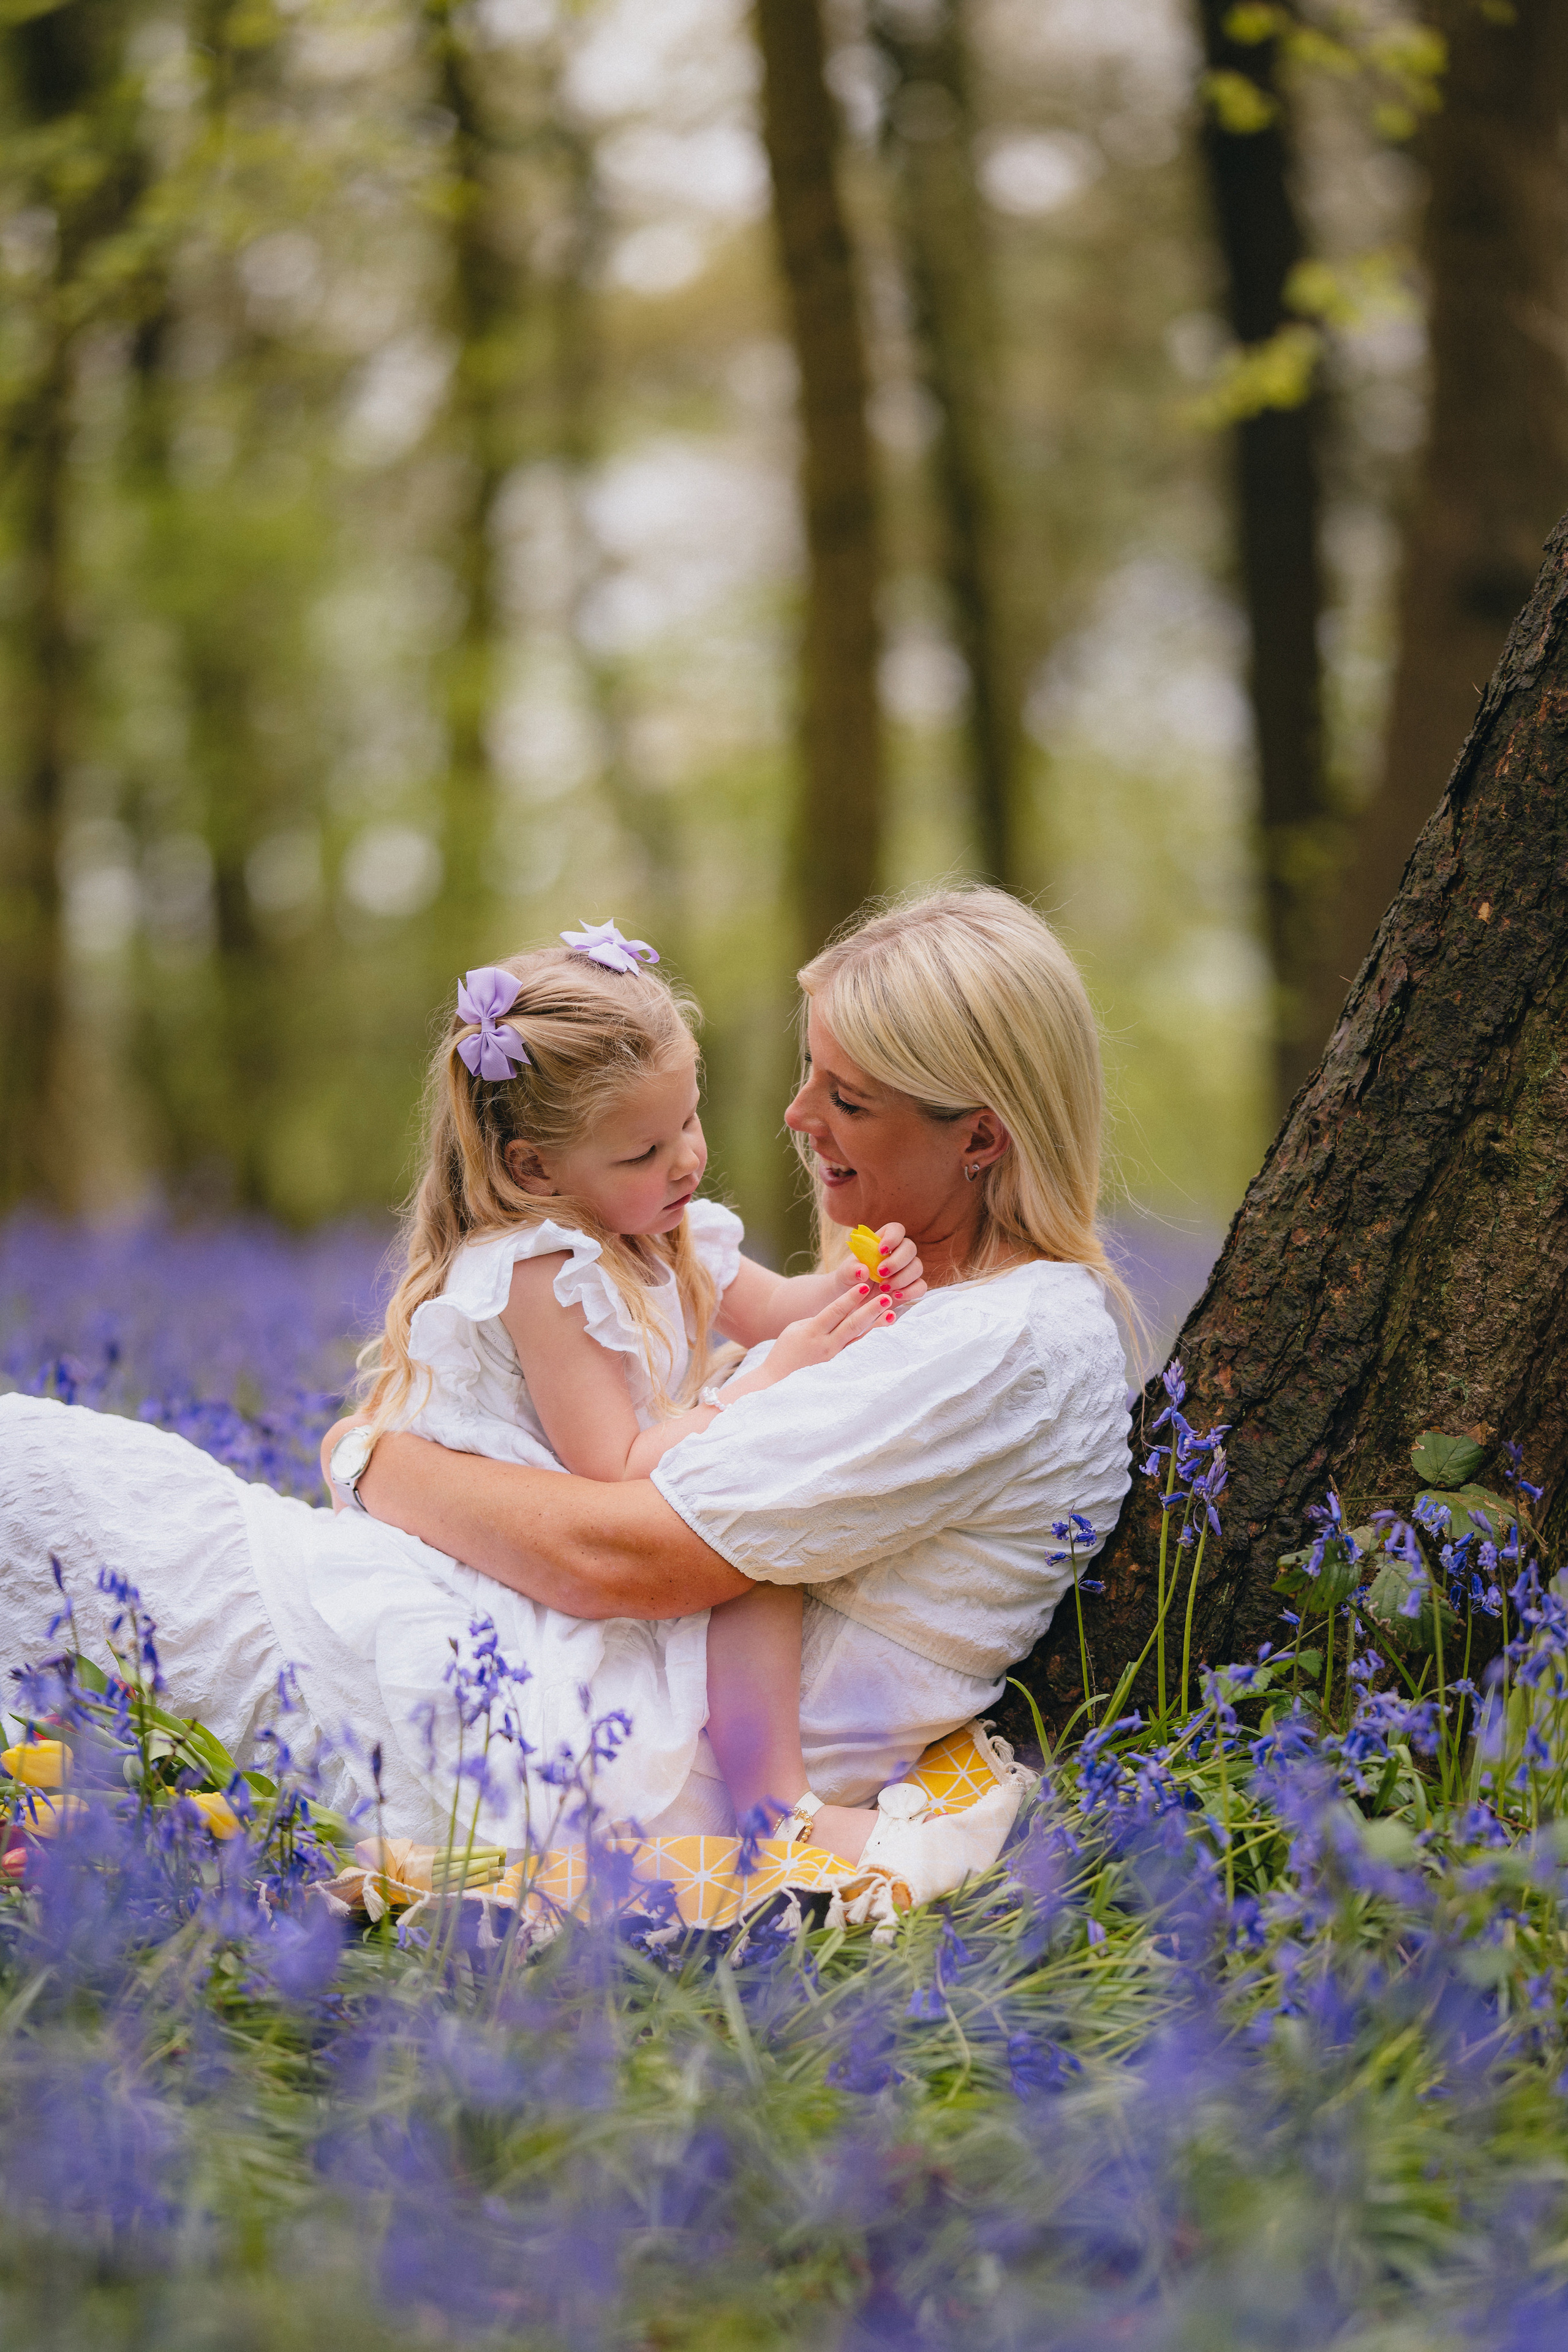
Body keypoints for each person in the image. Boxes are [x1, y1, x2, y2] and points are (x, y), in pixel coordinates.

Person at [1, 888, 1134, 1889]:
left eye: (844, 1097)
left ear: (981, 1136)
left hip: (566, 1723)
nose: (793, 1119)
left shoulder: (1004, 1342)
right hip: (536, 1661)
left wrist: (376, 1458)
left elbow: (622, 1553)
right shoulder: (933, 1304)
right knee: (57, 1492)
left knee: (48, 1488)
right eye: (806, 1077)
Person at [336, 920, 924, 1865]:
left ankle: (776, 1798)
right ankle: (772, 1811)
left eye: (688, 1122)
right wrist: (772, 1380)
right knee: (747, 1543)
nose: (686, 1160)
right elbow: (609, 1468)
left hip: (631, 1490)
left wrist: (866, 1283)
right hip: (533, 1539)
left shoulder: (668, 1226)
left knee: (763, 1538)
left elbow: (773, 1307)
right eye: (644, 1152)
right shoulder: (544, 1273)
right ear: (534, 1168)